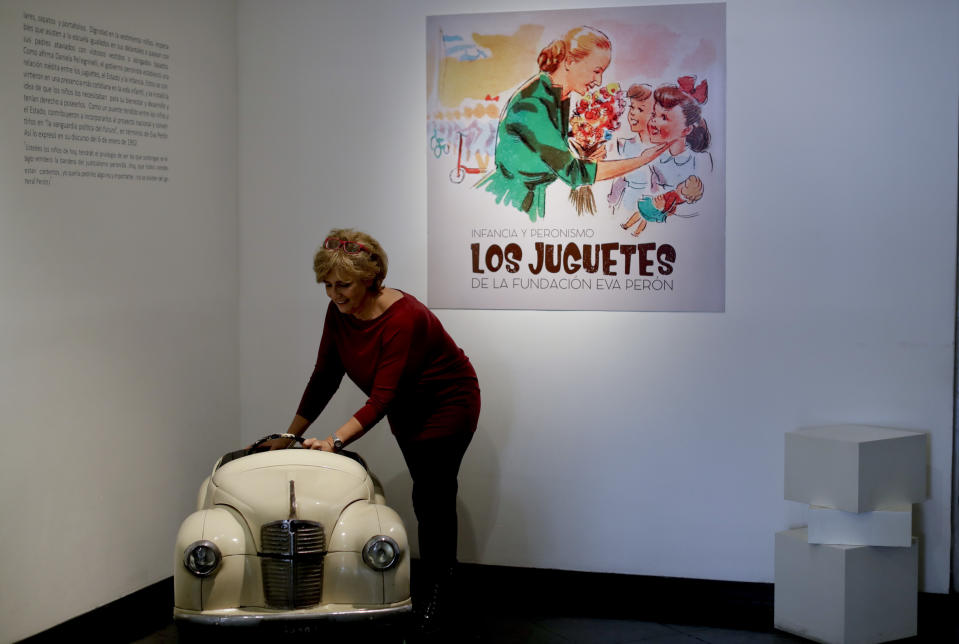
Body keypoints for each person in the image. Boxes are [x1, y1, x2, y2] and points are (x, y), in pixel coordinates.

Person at [268, 228, 481, 634]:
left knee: (432, 495)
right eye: (327, 286)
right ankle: (444, 578)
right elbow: (324, 376)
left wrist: (333, 441)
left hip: (447, 404)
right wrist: (290, 434)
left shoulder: (405, 318)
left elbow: (383, 396)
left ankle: (439, 591)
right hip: (406, 408)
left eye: (343, 284)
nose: (334, 294)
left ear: (371, 277)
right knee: (428, 494)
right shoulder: (340, 312)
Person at [478, 26, 669, 221]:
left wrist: (584, 154)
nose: (598, 80)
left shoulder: (557, 97)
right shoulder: (534, 104)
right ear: (569, 62)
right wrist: (642, 160)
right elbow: (574, 174)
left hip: (527, 198)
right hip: (509, 199)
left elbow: (550, 151)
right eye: (596, 71)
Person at [621, 77, 712, 236]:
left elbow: (704, 213)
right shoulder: (653, 158)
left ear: (686, 130)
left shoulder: (701, 162)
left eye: (664, 117)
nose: (653, 121)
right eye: (654, 114)